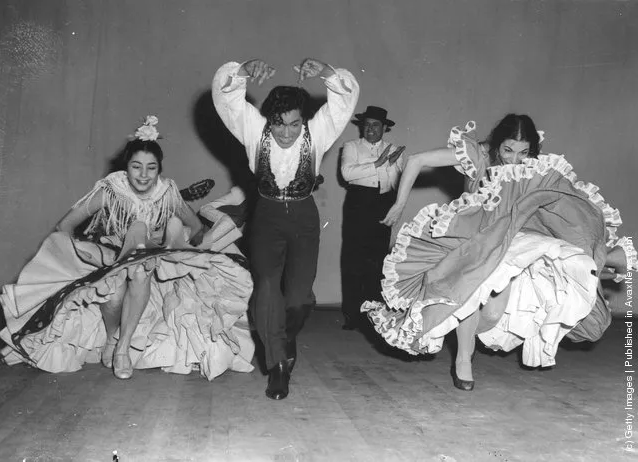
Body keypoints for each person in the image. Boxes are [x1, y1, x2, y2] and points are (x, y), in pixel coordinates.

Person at [362, 114, 637, 391]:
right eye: (507, 150)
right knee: (471, 290)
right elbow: (416, 160)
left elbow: (564, 209)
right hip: (477, 244)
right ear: (496, 144)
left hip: (512, 246)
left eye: (523, 152)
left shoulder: (534, 169)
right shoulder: (478, 156)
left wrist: (594, 253)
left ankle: (605, 259)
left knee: (493, 314)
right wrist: (399, 205)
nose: (514, 159)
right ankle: (463, 359)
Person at [0, 116, 255, 381]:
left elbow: (195, 226)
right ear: (127, 166)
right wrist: (81, 255)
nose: (143, 175)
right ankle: (112, 338)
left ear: (159, 169)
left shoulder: (167, 193)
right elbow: (65, 225)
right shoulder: (111, 190)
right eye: (136, 166)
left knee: (140, 271)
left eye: (151, 168)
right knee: (113, 289)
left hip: (151, 261)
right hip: (113, 255)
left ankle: (123, 349)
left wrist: (180, 246)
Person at [212, 57, 359, 399]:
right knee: (265, 287)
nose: (287, 133)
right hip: (267, 215)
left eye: (294, 124)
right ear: (268, 120)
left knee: (298, 298)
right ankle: (278, 366)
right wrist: (244, 71)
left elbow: (344, 99)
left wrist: (325, 72)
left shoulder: (318, 132)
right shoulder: (253, 129)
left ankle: (283, 336)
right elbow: (226, 96)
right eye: (279, 124)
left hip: (304, 217)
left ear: (304, 121)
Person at [340, 105, 405, 330]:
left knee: (377, 260)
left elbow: (396, 182)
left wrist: (391, 167)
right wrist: (378, 164)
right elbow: (347, 173)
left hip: (383, 203)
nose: (370, 129)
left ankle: (374, 316)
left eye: (375, 125)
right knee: (352, 259)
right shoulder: (351, 147)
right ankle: (351, 315)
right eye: (366, 125)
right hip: (358, 203)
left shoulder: (395, 149)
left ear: (384, 128)